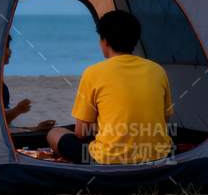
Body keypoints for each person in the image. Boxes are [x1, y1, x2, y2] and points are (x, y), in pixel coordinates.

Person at [46, 10, 173, 165]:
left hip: (107, 161)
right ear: (136, 39)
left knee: (55, 133)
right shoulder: (157, 70)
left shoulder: (93, 73)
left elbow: (80, 133)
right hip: (158, 156)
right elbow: (164, 120)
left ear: (105, 41)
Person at [2, 37, 54, 134]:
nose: (10, 51)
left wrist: (35, 128)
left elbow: (5, 126)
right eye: (6, 47)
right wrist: (17, 110)